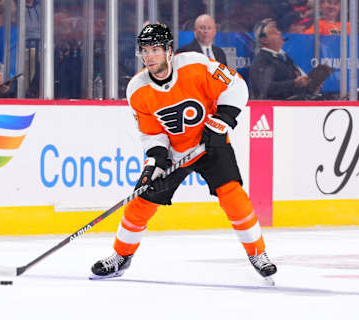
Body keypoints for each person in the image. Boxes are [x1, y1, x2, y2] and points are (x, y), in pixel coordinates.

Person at [90, 24, 277, 282]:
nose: (149, 56)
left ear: (168, 50)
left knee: (233, 196)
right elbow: (152, 133)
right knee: (140, 202)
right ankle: (121, 256)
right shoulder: (137, 89)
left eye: (155, 49)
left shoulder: (194, 65)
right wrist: (155, 161)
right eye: (145, 51)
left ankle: (258, 254)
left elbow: (236, 86)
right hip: (176, 152)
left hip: (211, 142)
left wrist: (222, 120)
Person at [249, 18, 311, 99]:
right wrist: (294, 83)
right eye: (274, 32)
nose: (279, 33)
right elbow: (265, 88)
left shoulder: (285, 58)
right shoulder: (262, 60)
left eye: (278, 31)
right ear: (264, 40)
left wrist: (309, 86)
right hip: (277, 108)